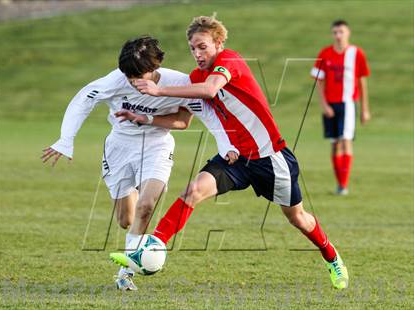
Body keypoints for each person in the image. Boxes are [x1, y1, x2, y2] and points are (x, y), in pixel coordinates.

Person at [110, 16, 349, 289]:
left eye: (203, 47)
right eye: (192, 48)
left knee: (298, 218)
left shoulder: (230, 61)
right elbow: (183, 120)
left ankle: (332, 258)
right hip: (234, 159)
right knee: (193, 191)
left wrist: (158, 89)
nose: (197, 54)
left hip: (270, 159)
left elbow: (211, 89)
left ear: (218, 43)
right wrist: (145, 119)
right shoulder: (196, 78)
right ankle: (153, 245)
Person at [41, 36, 236, 291]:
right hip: (119, 147)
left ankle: (126, 271)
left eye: (138, 76)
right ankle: (133, 232)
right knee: (125, 220)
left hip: (157, 147)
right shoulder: (116, 80)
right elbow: (83, 99)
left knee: (146, 206)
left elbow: (205, 113)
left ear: (155, 68)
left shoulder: (178, 83)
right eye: (129, 76)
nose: (132, 82)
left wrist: (225, 145)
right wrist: (66, 140)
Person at [311, 20, 370, 195]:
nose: (338, 35)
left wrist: (365, 108)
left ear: (348, 33)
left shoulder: (356, 53)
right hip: (330, 104)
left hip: (348, 103)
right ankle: (339, 184)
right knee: (335, 143)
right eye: (335, 32)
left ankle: (343, 185)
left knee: (346, 141)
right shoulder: (325, 53)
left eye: (341, 32)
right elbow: (318, 81)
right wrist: (324, 105)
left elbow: (362, 81)